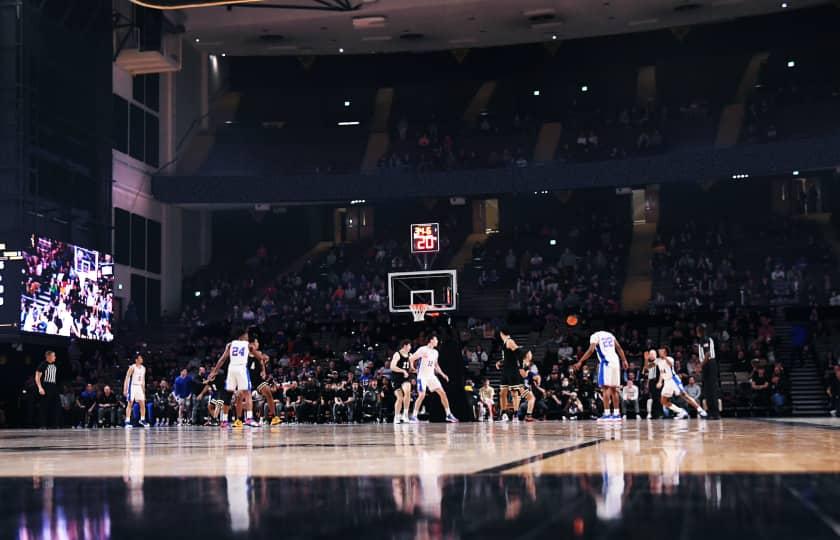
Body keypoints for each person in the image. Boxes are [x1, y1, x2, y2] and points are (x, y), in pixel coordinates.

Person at [574, 330, 629, 422]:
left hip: (606, 362)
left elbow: (591, 350)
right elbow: (619, 347)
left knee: (605, 388)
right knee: (614, 388)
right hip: (616, 361)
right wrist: (624, 360)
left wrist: (580, 361)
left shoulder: (594, 336)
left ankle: (607, 414)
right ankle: (616, 414)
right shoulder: (610, 335)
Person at [209, 329, 259, 428]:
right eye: (246, 336)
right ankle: (249, 418)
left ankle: (224, 421)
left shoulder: (230, 345)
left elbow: (222, 359)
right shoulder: (247, 345)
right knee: (247, 393)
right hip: (240, 369)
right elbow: (257, 355)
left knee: (227, 397)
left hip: (230, 370)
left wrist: (214, 371)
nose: (247, 338)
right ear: (241, 337)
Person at [409, 335, 458, 423]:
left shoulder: (436, 352)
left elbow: (436, 365)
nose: (437, 341)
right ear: (431, 340)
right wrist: (412, 368)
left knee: (443, 393)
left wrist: (443, 374)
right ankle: (414, 416)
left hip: (431, 376)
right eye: (436, 339)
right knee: (422, 395)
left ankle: (448, 414)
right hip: (422, 376)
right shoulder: (422, 349)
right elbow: (411, 358)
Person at [654, 348, 707, 419]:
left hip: (673, 380)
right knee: (663, 401)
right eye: (659, 351)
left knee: (684, 395)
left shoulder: (670, 359)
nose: (659, 352)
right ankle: (681, 411)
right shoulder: (658, 361)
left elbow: (670, 364)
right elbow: (659, 371)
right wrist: (660, 381)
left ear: (665, 352)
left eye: (661, 351)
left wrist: (665, 357)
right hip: (666, 382)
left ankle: (700, 410)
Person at [248, 338, 281, 426]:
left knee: (268, 393)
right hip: (247, 378)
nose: (258, 343)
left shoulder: (259, 353)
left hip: (257, 379)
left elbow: (264, 359)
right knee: (239, 398)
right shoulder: (246, 353)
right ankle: (241, 419)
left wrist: (263, 371)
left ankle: (274, 417)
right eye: (256, 342)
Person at [497, 329, 527, 421]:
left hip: (512, 371)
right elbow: (509, 357)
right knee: (502, 393)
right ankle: (504, 413)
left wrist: (522, 368)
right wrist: (500, 362)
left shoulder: (510, 341)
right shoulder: (505, 342)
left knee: (514, 393)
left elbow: (520, 353)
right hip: (505, 370)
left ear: (501, 333)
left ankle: (515, 414)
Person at [698, 325, 721, 419]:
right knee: (708, 390)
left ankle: (714, 413)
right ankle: (711, 412)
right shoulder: (705, 339)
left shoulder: (705, 339)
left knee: (711, 389)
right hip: (708, 364)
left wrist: (700, 366)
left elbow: (708, 354)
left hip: (709, 364)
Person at [34, 350, 60, 428]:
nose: (55, 357)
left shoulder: (55, 365)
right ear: (48, 356)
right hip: (46, 386)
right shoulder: (43, 365)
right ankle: (43, 424)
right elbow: (37, 377)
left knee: (56, 406)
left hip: (54, 386)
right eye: (53, 355)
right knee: (44, 406)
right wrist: (40, 387)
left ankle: (55, 424)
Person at [390, 340, 413, 424]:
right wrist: (403, 371)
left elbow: (411, 368)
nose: (410, 348)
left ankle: (405, 414)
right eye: (409, 346)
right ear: (405, 346)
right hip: (396, 379)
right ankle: (396, 417)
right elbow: (392, 367)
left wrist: (416, 370)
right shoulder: (397, 354)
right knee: (400, 398)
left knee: (408, 392)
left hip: (405, 378)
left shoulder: (410, 355)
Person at [123, 353, 149, 428]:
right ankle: (127, 421)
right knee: (130, 403)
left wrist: (143, 391)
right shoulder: (132, 367)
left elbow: (143, 380)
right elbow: (127, 378)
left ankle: (142, 419)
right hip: (132, 386)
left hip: (139, 387)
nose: (142, 359)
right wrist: (125, 389)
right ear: (136, 360)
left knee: (142, 404)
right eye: (140, 358)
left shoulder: (144, 368)